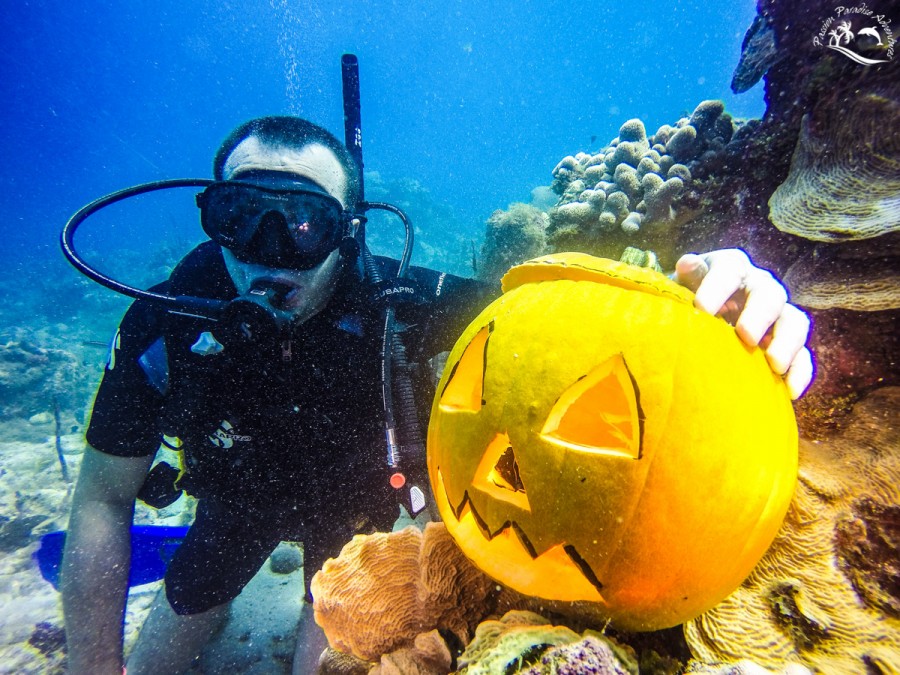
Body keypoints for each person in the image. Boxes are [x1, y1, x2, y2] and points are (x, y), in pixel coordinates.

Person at [60, 116, 814, 675]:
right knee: (172, 629)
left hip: (358, 515)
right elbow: (101, 500)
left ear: (347, 231)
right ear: (212, 217)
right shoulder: (165, 322)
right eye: (240, 217)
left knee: (322, 659)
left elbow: (572, 317)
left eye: (301, 222)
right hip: (233, 503)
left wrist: (712, 294)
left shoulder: (403, 301)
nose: (269, 250)